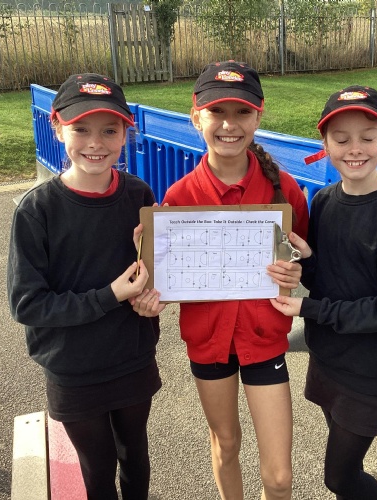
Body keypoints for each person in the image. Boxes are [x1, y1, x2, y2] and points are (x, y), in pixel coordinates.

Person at [133, 61, 309, 500]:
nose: (230, 125)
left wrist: (298, 270)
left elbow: (301, 264)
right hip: (209, 342)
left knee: (280, 477)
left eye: (242, 112)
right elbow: (166, 284)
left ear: (258, 117)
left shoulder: (285, 191)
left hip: (263, 341)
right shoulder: (178, 199)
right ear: (197, 117)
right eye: (217, 112)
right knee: (225, 444)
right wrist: (150, 274)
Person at [7, 73, 164, 500]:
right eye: (81, 129)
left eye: (110, 130)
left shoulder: (138, 194)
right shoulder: (37, 211)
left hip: (131, 357)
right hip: (73, 368)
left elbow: (148, 276)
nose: (95, 143)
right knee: (98, 469)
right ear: (58, 128)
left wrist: (154, 297)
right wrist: (110, 296)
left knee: (135, 455)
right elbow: (27, 304)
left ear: (126, 135)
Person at [271, 85, 377, 500]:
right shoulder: (323, 201)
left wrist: (308, 309)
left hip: (370, 368)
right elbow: (328, 279)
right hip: (329, 356)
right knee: (346, 471)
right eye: (341, 139)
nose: (354, 149)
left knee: (339, 477)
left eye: (367, 137)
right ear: (325, 144)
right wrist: (307, 262)